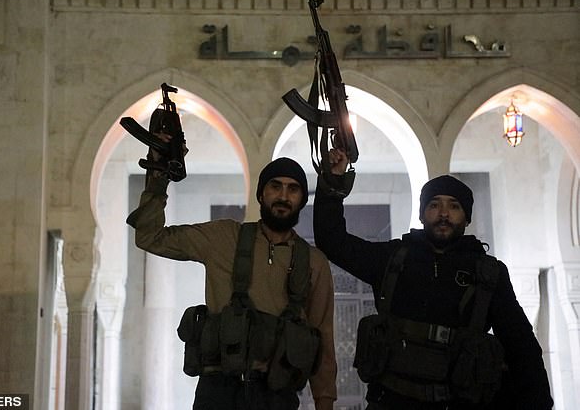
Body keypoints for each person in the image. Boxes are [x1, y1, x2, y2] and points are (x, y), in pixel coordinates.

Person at [312, 148, 553, 410]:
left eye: (454, 206)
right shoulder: (393, 259)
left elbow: (522, 348)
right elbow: (332, 240)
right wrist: (332, 183)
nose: (444, 214)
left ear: (466, 217)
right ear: (422, 213)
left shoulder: (488, 273)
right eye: (434, 204)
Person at [127, 156, 337, 410]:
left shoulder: (314, 263)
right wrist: (159, 174)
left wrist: (324, 402)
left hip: (276, 396)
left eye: (293, 189)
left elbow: (322, 337)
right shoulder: (224, 237)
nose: (283, 196)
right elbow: (150, 237)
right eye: (275, 186)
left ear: (302, 200)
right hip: (218, 391)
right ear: (260, 195)